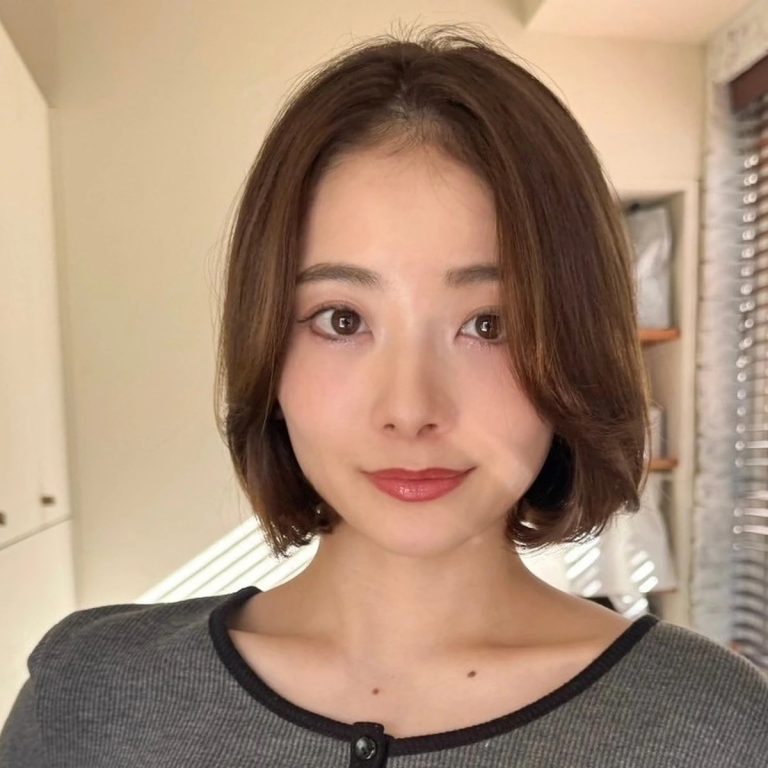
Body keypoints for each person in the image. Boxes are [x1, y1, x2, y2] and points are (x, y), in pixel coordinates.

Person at [2, 21, 767, 768]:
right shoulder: (90, 695)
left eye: (490, 324)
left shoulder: (717, 730)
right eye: (342, 320)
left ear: (575, 344)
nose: (409, 409)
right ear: (267, 346)